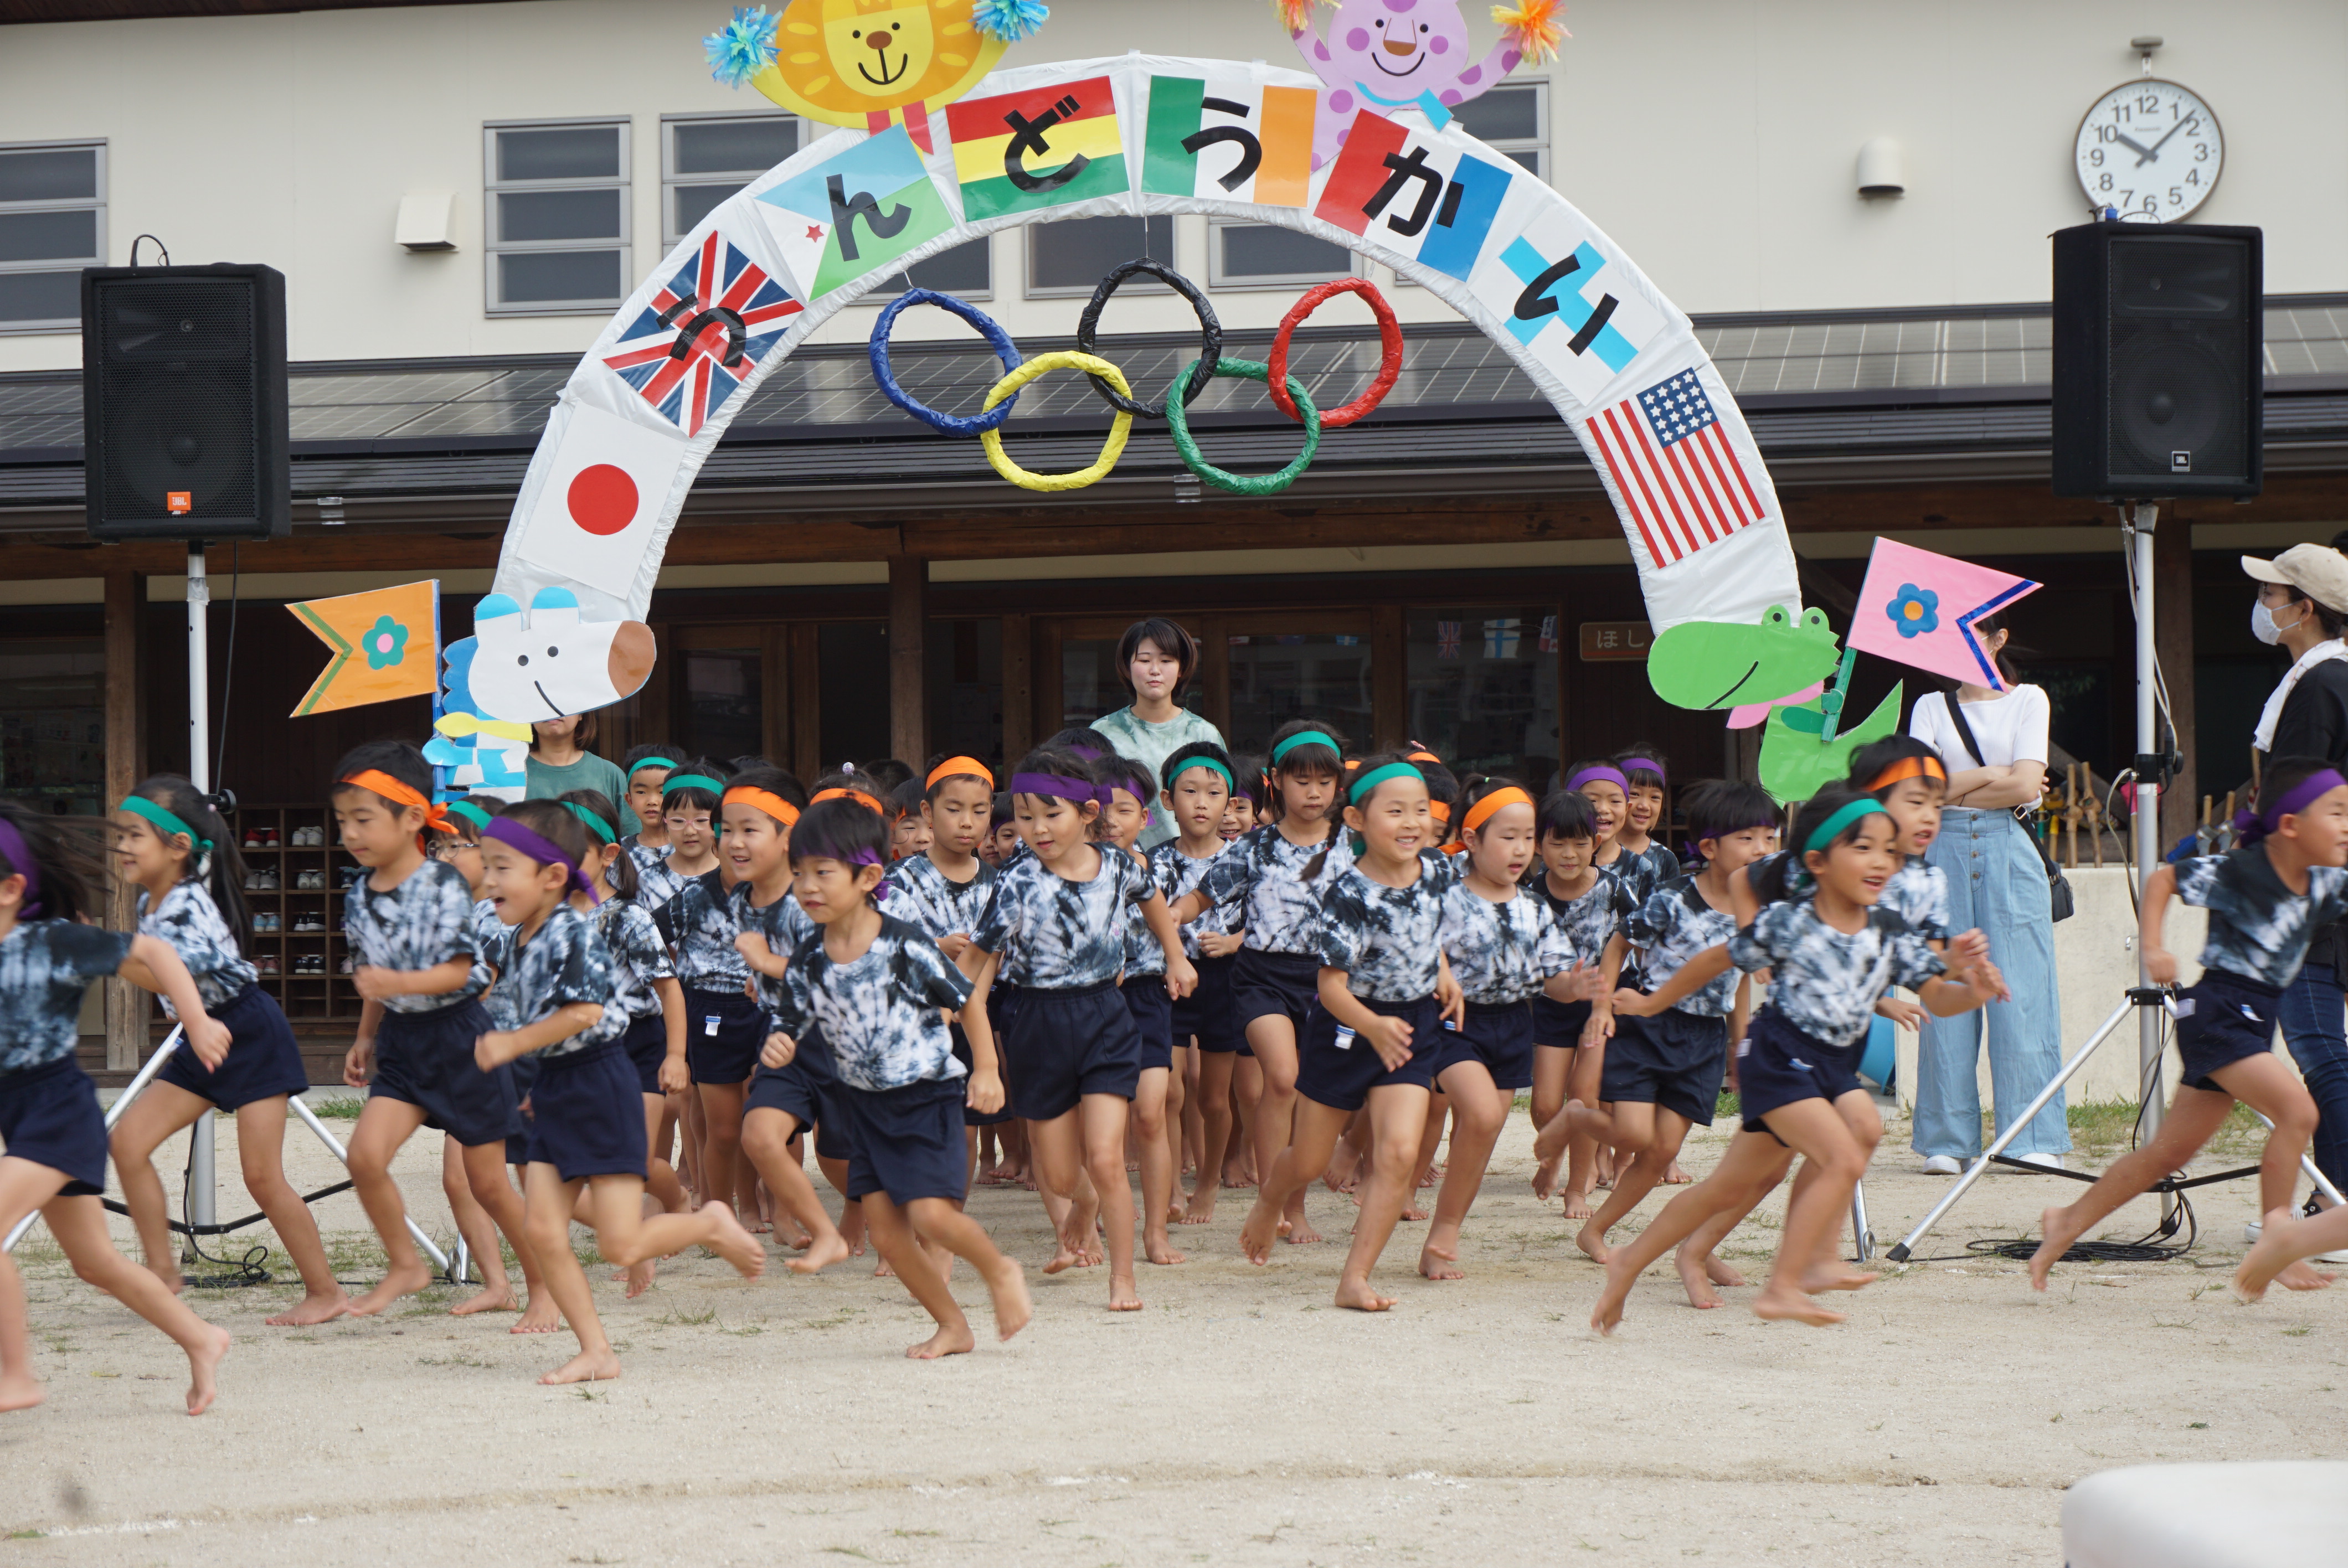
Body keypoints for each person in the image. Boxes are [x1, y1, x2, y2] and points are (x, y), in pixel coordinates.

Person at [1592, 786, 2002, 1331]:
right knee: (1843, 1151)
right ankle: (1789, 1280)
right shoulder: (1790, 921)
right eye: (1862, 848)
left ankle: (1629, 1261)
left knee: (1729, 1186)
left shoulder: (1888, 931)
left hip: (1831, 1067)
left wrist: (1975, 990)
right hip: (1778, 1056)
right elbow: (1715, 960)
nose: (1881, 861)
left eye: (1889, 850)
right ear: (1817, 863)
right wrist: (1650, 1002)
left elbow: (1939, 999)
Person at [470, 800, 764, 1384]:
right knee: (543, 1228)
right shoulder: (520, 936)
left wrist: (511, 1045)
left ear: (552, 876)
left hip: (601, 1085)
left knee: (620, 1243)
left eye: (503, 868)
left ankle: (708, 1222)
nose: (489, 880)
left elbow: (585, 1013)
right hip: (556, 1085)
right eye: (487, 866)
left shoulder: (570, 934)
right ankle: (596, 1351)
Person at [2038, 756, 2347, 1297]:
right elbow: (2163, 880)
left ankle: (2066, 1221)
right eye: (2337, 813)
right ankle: (2278, 1232)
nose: (2347, 826)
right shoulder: (2240, 870)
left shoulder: (2325, 885)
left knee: (2166, 1155)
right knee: (2298, 1112)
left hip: (2251, 1024)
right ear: (2291, 825)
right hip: (2216, 1013)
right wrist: (2153, 947)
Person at [761, 796, 1033, 1356]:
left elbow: (966, 1001)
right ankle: (953, 1325)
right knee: (887, 1233)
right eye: (798, 873)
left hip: (926, 1097)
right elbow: (791, 1016)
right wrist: (780, 1041)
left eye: (822, 873)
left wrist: (986, 1068)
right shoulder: (810, 953)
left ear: (868, 878)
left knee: (931, 1215)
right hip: (865, 1105)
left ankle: (999, 1270)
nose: (807, 886)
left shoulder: (904, 942)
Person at [0, 799, 235, 1417]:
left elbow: (155, 954)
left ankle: (15, 1376)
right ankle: (202, 1339)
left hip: (57, 1112)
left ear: (10, 890)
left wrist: (196, 1019)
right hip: (19, 1115)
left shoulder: (53, 942)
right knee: (95, 1263)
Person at [961, 747, 1196, 1311]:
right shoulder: (1016, 880)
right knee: (1063, 1175)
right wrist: (977, 1049)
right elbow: (977, 967)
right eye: (1024, 816)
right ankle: (1083, 1203)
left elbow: (1152, 900)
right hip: (1035, 1022)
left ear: (1088, 812)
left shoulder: (1116, 865)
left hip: (1104, 1017)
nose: (1037, 829)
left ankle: (1123, 1279)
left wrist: (1175, 956)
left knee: (1107, 1156)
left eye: (1052, 814)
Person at [105, 776, 346, 1326]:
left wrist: (104, 953)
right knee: (128, 1143)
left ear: (178, 847)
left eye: (134, 835)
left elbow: (173, 973)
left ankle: (325, 1291)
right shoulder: (151, 902)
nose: (122, 846)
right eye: (120, 835)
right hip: (201, 1035)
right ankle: (162, 1271)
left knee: (261, 1176)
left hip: (249, 1031)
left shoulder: (188, 904)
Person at [1237, 754, 1461, 1310]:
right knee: (1309, 1161)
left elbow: (1428, 931)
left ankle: (1354, 1278)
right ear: (1357, 820)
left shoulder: (1438, 870)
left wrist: (1443, 973)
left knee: (1398, 1154)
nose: (1412, 822)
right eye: (1395, 811)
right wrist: (1371, 1026)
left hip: (1410, 1026)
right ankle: (1270, 1201)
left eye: (1421, 810)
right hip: (1345, 1030)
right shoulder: (1347, 893)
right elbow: (1331, 988)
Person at [329, 741, 544, 1322]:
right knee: (364, 1156)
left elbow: (458, 973)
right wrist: (365, 1037)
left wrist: (393, 982)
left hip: (461, 1041)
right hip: (402, 1042)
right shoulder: (358, 894)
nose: (351, 833)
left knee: (488, 1185)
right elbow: (372, 977)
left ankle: (543, 1287)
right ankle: (406, 1265)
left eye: (363, 819)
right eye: (343, 820)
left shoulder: (443, 885)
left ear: (412, 819)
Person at [1544, 781, 1776, 1266]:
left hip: (1704, 1039)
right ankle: (1577, 1117)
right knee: (1633, 1136)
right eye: (1748, 839)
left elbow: (1737, 984)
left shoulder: (1758, 914)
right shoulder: (1674, 898)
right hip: (1649, 1026)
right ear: (1710, 848)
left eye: (1770, 838)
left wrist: (1739, 1048)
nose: (1762, 849)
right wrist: (1602, 1008)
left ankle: (1595, 1230)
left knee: (1661, 1149)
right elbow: (1618, 946)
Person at [1169, 721, 1352, 1245]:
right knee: (1282, 1079)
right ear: (1276, 781)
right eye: (1301, 781)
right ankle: (1280, 1206)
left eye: (1324, 782)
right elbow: (1201, 898)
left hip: (1329, 981)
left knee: (1318, 1091)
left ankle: (1295, 1200)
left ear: (1338, 785)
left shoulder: (1354, 847)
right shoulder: (1253, 848)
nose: (1313, 792)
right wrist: (1171, 916)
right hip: (1261, 979)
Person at [1905, 610, 2069, 1174]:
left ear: (1998, 639)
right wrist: (1991, 776)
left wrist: (1953, 789)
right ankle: (1946, 1139)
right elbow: (1917, 789)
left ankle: (2031, 1136)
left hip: (2010, 844)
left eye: (1971, 632)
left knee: (2022, 992)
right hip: (1940, 848)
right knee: (1945, 984)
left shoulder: (2029, 699)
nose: (1955, 644)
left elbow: (2024, 785)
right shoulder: (1929, 705)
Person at [1424, 776, 1603, 1280]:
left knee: (1481, 1135)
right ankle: (1436, 1228)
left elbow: (1555, 981)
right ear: (1472, 839)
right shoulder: (1444, 894)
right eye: (1509, 837)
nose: (1522, 849)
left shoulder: (1534, 909)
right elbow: (1416, 942)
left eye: (1528, 837)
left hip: (1512, 1026)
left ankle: (1443, 1233)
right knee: (1481, 1116)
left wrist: (1576, 985)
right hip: (1453, 1022)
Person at [2242, 545, 2348, 1221]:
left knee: (2316, 1045)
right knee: (2322, 1044)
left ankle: (2337, 1200)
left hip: (2313, 889)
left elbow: (2299, 797)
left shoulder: (2319, 686)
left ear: (2304, 609)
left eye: (2270, 594)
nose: (2261, 606)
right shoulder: (2328, 678)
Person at [564, 790, 691, 1287]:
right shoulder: (546, 918)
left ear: (608, 854)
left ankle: (675, 1202)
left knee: (633, 1159)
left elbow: (669, 988)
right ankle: (635, 1234)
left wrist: (676, 1055)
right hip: (577, 1052)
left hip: (637, 1044)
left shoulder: (628, 917)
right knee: (582, 1161)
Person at [1523, 790, 1636, 1214]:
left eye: (1580, 843)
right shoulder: (1530, 896)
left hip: (1601, 1006)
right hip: (1553, 1005)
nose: (1569, 854)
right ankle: (1553, 1151)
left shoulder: (1616, 890)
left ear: (1596, 843)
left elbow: (1640, 942)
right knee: (1545, 1105)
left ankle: (1576, 1188)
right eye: (1558, 843)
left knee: (1584, 1096)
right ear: (1539, 845)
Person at [1096, 753, 1186, 1265]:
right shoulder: (1078, 870)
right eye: (1101, 808)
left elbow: (1172, 924)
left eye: (1125, 809)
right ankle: (1091, 1221)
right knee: (1098, 1124)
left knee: (1150, 1114)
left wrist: (1177, 961)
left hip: (1148, 996)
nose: (1112, 820)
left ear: (1146, 817)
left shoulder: (1164, 867)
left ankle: (1156, 1231)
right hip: (1095, 1000)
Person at [1150, 741, 1245, 1224]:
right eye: (1189, 791)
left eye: (1214, 792)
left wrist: (1234, 943)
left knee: (1213, 1097)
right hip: (1167, 980)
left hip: (1224, 980)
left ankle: (1207, 1183)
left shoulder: (1245, 859)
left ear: (1230, 802)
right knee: (1168, 1092)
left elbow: (1269, 921)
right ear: (1168, 800)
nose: (1202, 803)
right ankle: (1169, 1188)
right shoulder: (1152, 861)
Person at [1090, 618, 1229, 852]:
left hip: (1191, 859)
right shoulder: (1103, 732)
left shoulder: (1203, 733)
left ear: (1181, 668)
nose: (1155, 670)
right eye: (1144, 660)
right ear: (1127, 666)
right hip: (1120, 859)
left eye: (1166, 660)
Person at [524, 714, 634, 834]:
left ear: (581, 714)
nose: (553, 711)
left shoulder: (610, 774)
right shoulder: (514, 772)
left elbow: (632, 839)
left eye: (563, 704)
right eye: (545, 704)